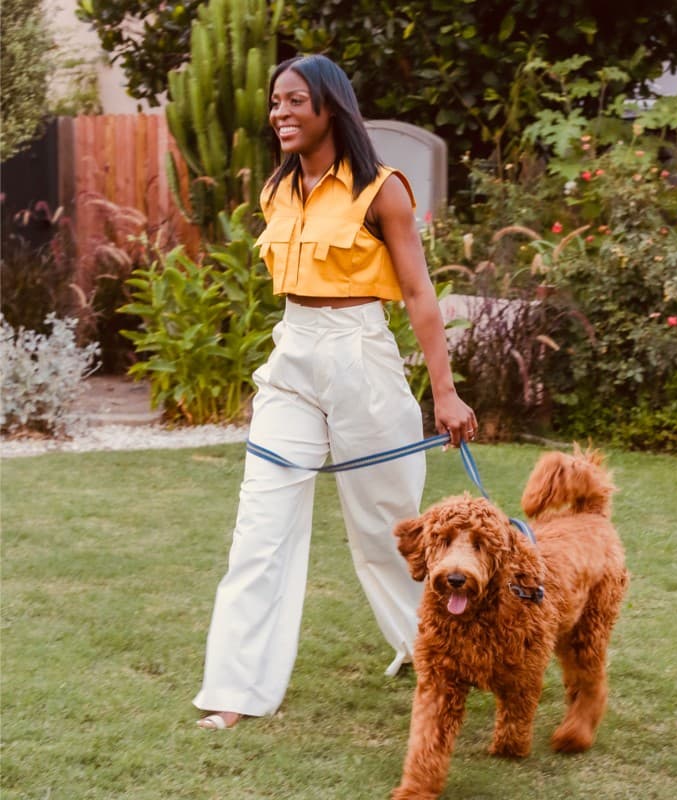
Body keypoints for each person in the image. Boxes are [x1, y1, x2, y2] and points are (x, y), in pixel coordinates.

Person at [194, 54, 476, 730]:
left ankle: (440, 657)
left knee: (392, 532)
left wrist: (446, 391)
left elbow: (417, 294)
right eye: (274, 102)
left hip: (361, 353)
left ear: (330, 108)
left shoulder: (382, 190)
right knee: (258, 531)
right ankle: (236, 691)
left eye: (295, 101)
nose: (280, 114)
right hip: (293, 354)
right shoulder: (276, 190)